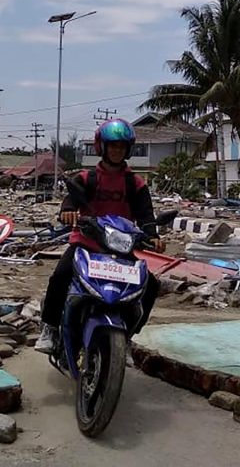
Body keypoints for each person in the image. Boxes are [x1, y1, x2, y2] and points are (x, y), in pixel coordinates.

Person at [35, 118, 163, 354]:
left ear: (128, 149)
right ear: (101, 147)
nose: (117, 150)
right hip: (86, 244)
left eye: (121, 146)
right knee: (60, 276)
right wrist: (67, 212)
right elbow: (70, 200)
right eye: (112, 145)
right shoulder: (86, 178)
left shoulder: (135, 183)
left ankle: (128, 336)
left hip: (121, 249)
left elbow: (146, 215)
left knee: (151, 285)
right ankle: (50, 329)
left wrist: (152, 235)